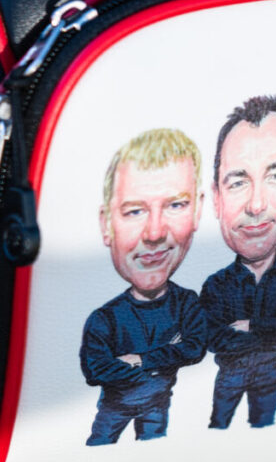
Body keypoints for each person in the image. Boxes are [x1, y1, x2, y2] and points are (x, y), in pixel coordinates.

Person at [80, 128, 208, 445]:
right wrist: (164, 358)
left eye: (175, 205)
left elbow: (194, 349)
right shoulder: (104, 319)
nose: (154, 233)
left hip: (157, 405)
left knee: (155, 453)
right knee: (99, 446)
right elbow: (95, 370)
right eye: (134, 211)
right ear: (106, 225)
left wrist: (138, 360)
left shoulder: (187, 304)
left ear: (197, 212)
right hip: (114, 408)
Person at [199, 96, 276, 429]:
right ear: (216, 197)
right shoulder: (215, 285)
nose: (257, 204)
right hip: (229, 377)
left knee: (264, 427)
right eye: (238, 182)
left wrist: (249, 326)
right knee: (218, 425)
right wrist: (271, 331)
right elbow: (211, 337)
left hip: (273, 378)